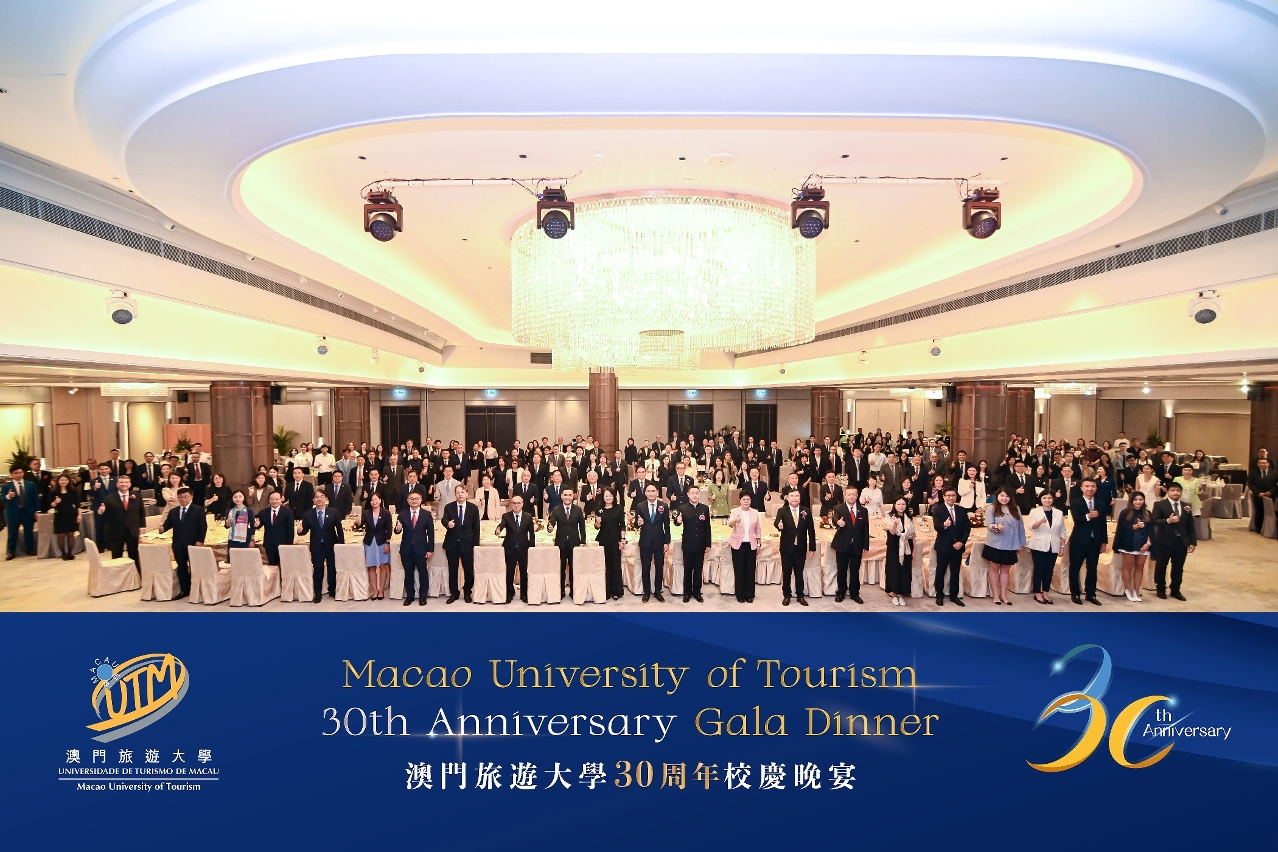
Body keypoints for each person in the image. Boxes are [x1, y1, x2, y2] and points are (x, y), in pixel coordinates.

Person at [1151, 483, 1197, 601]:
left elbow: (1190, 526)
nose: (1175, 492)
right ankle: (1160, 588)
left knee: (1178, 567)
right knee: (1161, 565)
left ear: (1181, 492)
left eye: (1178, 490)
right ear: (1167, 491)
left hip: (1181, 541)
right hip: (1164, 541)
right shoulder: (1160, 504)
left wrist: (1192, 542)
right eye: (1172, 490)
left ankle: (1175, 590)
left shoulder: (1186, 506)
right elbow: (1154, 521)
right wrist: (1168, 520)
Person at [1067, 479, 1108, 606]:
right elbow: (1077, 520)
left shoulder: (1100, 503)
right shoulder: (1075, 502)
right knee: (1075, 568)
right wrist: (1088, 516)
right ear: (1082, 488)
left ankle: (1091, 594)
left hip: (1095, 541)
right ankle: (1075, 594)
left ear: (1096, 488)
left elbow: (1103, 524)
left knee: (1092, 568)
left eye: (1092, 486)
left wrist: (1104, 541)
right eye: (1087, 486)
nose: (1090, 489)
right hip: (1079, 540)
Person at [298, 491, 344, 603]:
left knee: (332, 569)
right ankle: (317, 593)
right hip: (317, 546)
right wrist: (300, 531)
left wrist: (340, 545)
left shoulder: (333, 512)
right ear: (313, 500)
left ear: (326, 498)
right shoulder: (308, 514)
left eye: (322, 497)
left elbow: (339, 529)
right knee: (318, 570)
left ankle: (332, 589)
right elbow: (304, 530)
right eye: (317, 497)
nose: (319, 499)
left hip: (331, 545)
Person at [982, 489, 1025, 606]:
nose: (1004, 498)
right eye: (1002, 496)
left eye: (1007, 496)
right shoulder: (991, 508)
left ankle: (1004, 595)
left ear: (1010, 497)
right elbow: (989, 525)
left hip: (1011, 544)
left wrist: (1021, 543)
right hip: (996, 544)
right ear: (997, 496)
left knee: (1006, 570)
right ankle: (995, 595)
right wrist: (996, 527)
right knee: (994, 568)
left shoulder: (1016, 508)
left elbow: (1021, 527)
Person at [161, 486, 205, 598]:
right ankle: (185, 590)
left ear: (191, 497)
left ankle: (195, 589)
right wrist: (162, 528)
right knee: (181, 567)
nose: (183, 499)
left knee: (194, 566)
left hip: (193, 543)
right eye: (180, 497)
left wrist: (200, 540)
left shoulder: (198, 510)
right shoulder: (173, 511)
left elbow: (203, 526)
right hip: (178, 544)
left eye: (186, 497)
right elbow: (167, 524)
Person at [774, 488, 815, 607]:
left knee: (799, 572)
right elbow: (777, 522)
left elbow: (811, 530)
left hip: (800, 547)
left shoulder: (806, 511)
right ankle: (787, 595)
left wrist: (812, 547)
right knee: (786, 572)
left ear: (800, 498)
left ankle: (800, 595)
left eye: (797, 496)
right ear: (787, 498)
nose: (794, 498)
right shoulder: (782, 510)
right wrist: (779, 526)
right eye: (792, 496)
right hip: (787, 547)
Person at [930, 487, 969, 606]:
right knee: (940, 571)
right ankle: (939, 595)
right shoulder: (938, 510)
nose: (950, 498)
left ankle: (954, 596)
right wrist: (944, 525)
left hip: (957, 547)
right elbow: (937, 526)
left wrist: (961, 542)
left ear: (956, 497)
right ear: (944, 497)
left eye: (953, 495)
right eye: (948, 495)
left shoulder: (961, 510)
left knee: (955, 572)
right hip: (943, 546)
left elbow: (967, 529)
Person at [830, 485, 869, 604]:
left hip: (857, 545)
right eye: (849, 494)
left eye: (854, 494)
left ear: (857, 496)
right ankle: (841, 592)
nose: (851, 497)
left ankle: (854, 593)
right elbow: (834, 518)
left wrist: (865, 545)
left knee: (855, 570)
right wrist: (838, 522)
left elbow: (866, 529)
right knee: (841, 570)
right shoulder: (838, 508)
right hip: (842, 544)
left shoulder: (863, 510)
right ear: (845, 495)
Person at [394, 491, 434, 606]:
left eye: (416, 498)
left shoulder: (427, 514)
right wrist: (397, 529)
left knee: (423, 573)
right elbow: (396, 531)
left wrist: (430, 549)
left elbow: (431, 533)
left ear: (421, 500)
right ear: (408, 500)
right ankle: (410, 596)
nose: (414, 500)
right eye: (411, 498)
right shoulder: (402, 514)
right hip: (406, 549)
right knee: (408, 573)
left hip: (421, 549)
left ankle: (423, 596)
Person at [442, 485, 479, 604]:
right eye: (458, 492)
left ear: (466, 494)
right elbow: (444, 519)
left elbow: (476, 528)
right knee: (453, 569)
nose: (460, 494)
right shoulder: (449, 507)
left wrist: (475, 545)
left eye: (462, 492)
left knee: (468, 569)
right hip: (452, 543)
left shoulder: (473, 508)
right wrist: (448, 523)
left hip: (467, 543)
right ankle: (454, 593)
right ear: (455, 494)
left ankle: (467, 592)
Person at [634, 482, 671, 603]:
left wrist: (667, 542)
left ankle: (657, 591)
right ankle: (646, 592)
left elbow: (667, 525)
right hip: (645, 541)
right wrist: (638, 523)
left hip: (659, 541)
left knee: (659, 567)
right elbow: (636, 524)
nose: (651, 493)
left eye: (653, 491)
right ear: (645, 493)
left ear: (657, 492)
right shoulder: (640, 506)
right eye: (648, 491)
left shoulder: (663, 506)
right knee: (646, 567)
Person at [1027, 491, 1066, 605]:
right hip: (1038, 545)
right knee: (1039, 569)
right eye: (1044, 498)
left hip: (1054, 544)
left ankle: (1045, 592)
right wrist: (1040, 522)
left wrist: (1062, 546)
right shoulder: (1035, 511)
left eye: (1049, 498)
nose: (1047, 500)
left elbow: (1062, 530)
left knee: (1049, 570)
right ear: (1040, 499)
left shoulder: (1058, 512)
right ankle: (1037, 593)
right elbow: (1031, 527)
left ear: (1053, 499)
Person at [99, 474, 145, 570]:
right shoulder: (109, 498)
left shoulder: (137, 496)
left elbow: (141, 512)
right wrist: (101, 511)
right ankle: (118, 576)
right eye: (121, 482)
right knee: (116, 556)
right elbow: (104, 511)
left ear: (130, 484)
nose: (124, 484)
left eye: (126, 482)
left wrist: (142, 526)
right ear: (117, 484)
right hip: (116, 531)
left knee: (134, 554)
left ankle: (136, 575)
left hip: (132, 530)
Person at [1113, 491, 1152, 602]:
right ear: (1131, 501)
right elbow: (1122, 530)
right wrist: (1135, 526)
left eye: (1140, 500)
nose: (1138, 502)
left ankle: (1136, 590)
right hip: (1129, 544)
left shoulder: (1148, 513)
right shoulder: (1125, 513)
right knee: (1128, 567)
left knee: (1140, 567)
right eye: (1136, 500)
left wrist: (1148, 543)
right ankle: (1128, 590)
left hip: (1143, 544)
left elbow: (1151, 531)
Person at [495, 494, 535, 604]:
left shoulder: (528, 516)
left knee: (524, 573)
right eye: (514, 503)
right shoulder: (506, 516)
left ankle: (524, 594)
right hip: (510, 548)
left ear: (522, 504)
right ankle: (509, 593)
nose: (516, 505)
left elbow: (531, 534)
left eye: (518, 503)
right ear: (511, 504)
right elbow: (502, 525)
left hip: (523, 548)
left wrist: (531, 549)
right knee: (510, 572)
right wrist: (498, 529)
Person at [675, 485, 711, 603]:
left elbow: (707, 527)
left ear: (699, 494)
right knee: (688, 569)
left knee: (698, 569)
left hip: (700, 544)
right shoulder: (682, 508)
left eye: (696, 493)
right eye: (692, 493)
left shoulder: (704, 508)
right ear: (688, 495)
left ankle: (697, 592)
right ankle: (687, 592)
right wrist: (677, 521)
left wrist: (708, 544)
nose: (694, 495)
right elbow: (677, 522)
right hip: (688, 544)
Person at [547, 486, 585, 598]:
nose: (567, 497)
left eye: (570, 495)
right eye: (565, 495)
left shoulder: (578, 510)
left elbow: (582, 527)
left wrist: (583, 540)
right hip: (561, 543)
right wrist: (550, 527)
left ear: (573, 496)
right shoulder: (556, 510)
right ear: (561, 496)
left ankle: (574, 591)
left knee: (574, 568)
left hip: (574, 543)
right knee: (561, 568)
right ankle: (561, 591)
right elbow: (551, 523)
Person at [728, 493, 762, 604]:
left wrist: (758, 544)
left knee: (750, 570)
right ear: (740, 500)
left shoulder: (755, 512)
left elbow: (758, 530)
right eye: (744, 499)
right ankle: (740, 595)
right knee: (739, 569)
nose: (746, 501)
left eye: (748, 499)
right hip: (738, 544)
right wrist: (735, 520)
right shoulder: (735, 511)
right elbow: (730, 524)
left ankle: (750, 594)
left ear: (750, 501)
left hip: (751, 544)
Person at [595, 488, 626, 601]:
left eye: (610, 496)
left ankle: (616, 591)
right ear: (603, 497)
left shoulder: (618, 508)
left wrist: (622, 539)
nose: (608, 498)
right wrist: (598, 522)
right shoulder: (599, 509)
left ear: (614, 496)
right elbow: (597, 527)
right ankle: (606, 591)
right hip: (603, 539)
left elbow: (622, 525)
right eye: (606, 496)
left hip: (615, 539)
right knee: (605, 566)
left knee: (615, 565)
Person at [884, 497, 915, 606]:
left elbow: (912, 536)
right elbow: (892, 532)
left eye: (903, 504)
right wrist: (895, 524)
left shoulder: (909, 517)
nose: (901, 506)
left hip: (907, 547)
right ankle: (894, 594)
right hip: (894, 547)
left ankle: (901, 594)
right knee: (894, 570)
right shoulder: (889, 517)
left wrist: (914, 550)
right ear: (894, 505)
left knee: (905, 571)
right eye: (898, 504)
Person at [361, 492, 391, 601]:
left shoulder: (386, 513)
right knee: (371, 567)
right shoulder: (366, 513)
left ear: (380, 500)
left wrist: (387, 543)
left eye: (376, 499)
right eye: (372, 500)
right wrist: (358, 521)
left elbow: (389, 529)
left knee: (383, 566)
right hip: (369, 542)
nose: (374, 502)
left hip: (382, 542)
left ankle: (381, 590)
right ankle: (375, 591)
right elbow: (360, 525)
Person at [2, 467, 38, 559]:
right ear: (11, 474)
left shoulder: (30, 484)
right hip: (13, 513)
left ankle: (30, 549)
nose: (18, 475)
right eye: (16, 473)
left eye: (20, 472)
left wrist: (37, 511)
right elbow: (2, 499)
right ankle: (11, 551)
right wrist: (8, 496)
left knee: (29, 531)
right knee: (12, 532)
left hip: (28, 511)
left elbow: (35, 498)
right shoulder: (6, 486)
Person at [48, 473, 81, 560]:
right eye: (62, 480)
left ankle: (70, 553)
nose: (64, 482)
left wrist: (79, 515)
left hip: (71, 514)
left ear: (69, 481)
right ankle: (63, 553)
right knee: (61, 535)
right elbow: (51, 505)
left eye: (66, 480)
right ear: (58, 481)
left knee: (71, 534)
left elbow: (78, 504)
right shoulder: (54, 491)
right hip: (59, 514)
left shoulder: (73, 490)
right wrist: (56, 502)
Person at [258, 490, 294, 568]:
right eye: (272, 499)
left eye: (277, 499)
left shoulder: (287, 512)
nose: (274, 501)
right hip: (269, 544)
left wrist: (289, 545)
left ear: (281, 499)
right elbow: (259, 525)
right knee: (272, 566)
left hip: (283, 544)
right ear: (269, 500)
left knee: (283, 566)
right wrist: (256, 525)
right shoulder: (263, 512)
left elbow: (290, 529)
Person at [1247, 457, 1275, 534]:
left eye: (1264, 463)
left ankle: (1269, 529)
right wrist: (1258, 493)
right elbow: (1251, 484)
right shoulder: (1253, 473)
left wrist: (1270, 492)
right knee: (1259, 511)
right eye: (1260, 463)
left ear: (1268, 464)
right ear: (1257, 464)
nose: (1262, 464)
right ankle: (1258, 528)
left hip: (1271, 496)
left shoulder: (1275, 473)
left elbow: (1276, 485)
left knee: (1271, 513)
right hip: (1258, 496)